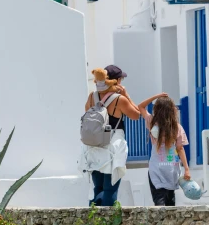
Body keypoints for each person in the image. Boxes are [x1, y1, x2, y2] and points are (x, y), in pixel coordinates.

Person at [79, 65, 140, 206]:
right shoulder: (119, 99)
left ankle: (94, 223)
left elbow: (87, 113)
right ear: (116, 81)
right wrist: (127, 96)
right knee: (110, 189)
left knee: (98, 188)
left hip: (94, 147)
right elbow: (136, 115)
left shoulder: (92, 97)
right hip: (112, 146)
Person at [138, 93, 191, 206]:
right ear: (172, 110)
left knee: (159, 201)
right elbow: (180, 148)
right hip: (172, 169)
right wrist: (186, 169)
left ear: (157, 109)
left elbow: (141, 106)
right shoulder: (176, 127)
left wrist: (156, 96)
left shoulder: (152, 123)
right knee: (170, 203)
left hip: (156, 168)